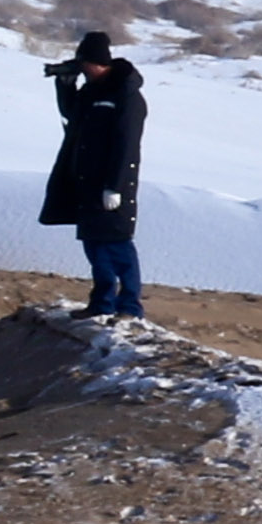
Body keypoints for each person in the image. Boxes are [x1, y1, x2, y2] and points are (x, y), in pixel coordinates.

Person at [43, 27, 148, 321]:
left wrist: (114, 186)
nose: (82, 69)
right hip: (86, 182)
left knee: (118, 245)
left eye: (84, 63)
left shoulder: (126, 96)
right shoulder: (91, 91)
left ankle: (129, 307)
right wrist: (65, 85)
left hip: (113, 184)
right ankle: (101, 303)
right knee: (94, 244)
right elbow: (73, 116)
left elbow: (126, 144)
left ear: (96, 62)